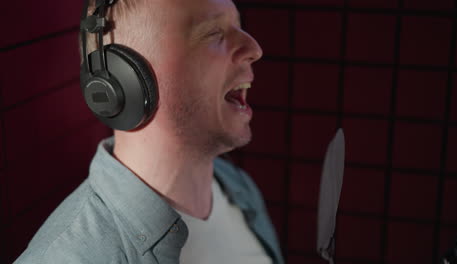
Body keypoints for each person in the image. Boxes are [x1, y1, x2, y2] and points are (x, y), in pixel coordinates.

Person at [14, 0, 284, 263]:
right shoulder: (70, 257)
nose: (254, 48)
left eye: (239, 27)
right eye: (213, 33)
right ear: (126, 79)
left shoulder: (238, 189)